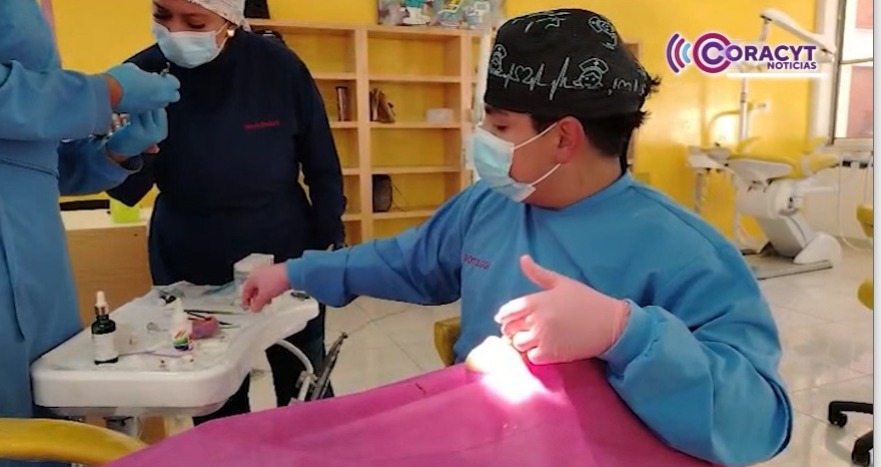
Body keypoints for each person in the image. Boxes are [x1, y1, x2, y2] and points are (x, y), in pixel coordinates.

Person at [242, 8, 793, 466]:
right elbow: (408, 261)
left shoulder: (687, 252)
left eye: (500, 126)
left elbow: (759, 423)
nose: (482, 138)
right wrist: (298, 271)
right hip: (484, 438)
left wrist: (625, 334)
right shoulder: (490, 205)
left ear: (564, 138)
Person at [107, 0, 347, 424]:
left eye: (194, 21)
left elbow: (322, 163)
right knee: (214, 393)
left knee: (302, 379)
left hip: (283, 249)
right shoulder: (141, 76)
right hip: (190, 257)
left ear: (230, 17)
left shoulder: (278, 69)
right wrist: (125, 151)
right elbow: (125, 189)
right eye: (162, 16)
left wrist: (328, 243)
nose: (175, 31)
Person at [0, 1, 180, 466]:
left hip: (38, 263)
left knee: (52, 424)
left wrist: (112, 154)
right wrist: (105, 92)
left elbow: (32, 160)